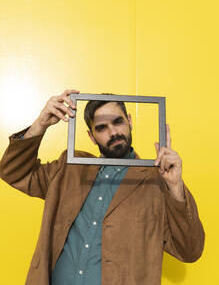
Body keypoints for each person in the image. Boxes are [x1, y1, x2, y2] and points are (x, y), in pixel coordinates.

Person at [0, 89, 205, 285]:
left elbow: (190, 250)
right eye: (101, 127)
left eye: (118, 122)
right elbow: (14, 172)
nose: (113, 132)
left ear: (130, 122)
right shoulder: (68, 169)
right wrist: (40, 124)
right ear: (91, 136)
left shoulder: (156, 182)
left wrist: (175, 186)